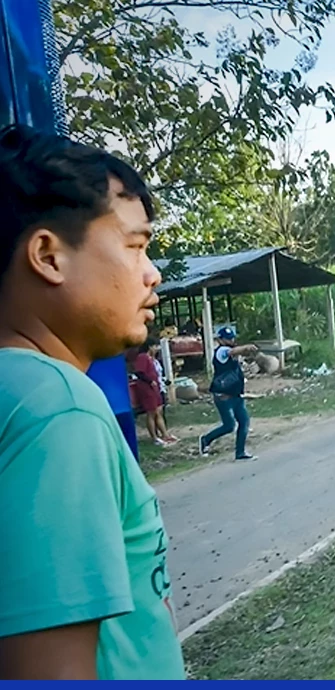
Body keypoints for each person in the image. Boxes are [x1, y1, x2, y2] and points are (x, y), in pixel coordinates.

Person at [0, 124, 185, 678]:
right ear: (49, 256)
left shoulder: (16, 393)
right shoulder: (59, 411)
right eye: (134, 246)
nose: (152, 275)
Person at [199, 326, 257, 461]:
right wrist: (246, 347)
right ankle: (206, 439)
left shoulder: (231, 353)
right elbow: (232, 351)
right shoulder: (221, 351)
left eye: (232, 337)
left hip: (236, 394)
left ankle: (240, 452)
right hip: (223, 396)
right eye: (228, 338)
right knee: (229, 426)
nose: (231, 340)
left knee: (244, 422)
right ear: (220, 340)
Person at [133, 338, 176, 446]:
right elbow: (139, 372)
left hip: (155, 388)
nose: (157, 349)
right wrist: (150, 381)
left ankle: (165, 434)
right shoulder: (142, 357)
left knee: (159, 411)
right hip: (147, 388)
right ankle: (154, 437)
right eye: (155, 346)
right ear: (150, 347)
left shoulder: (152, 359)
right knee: (151, 413)